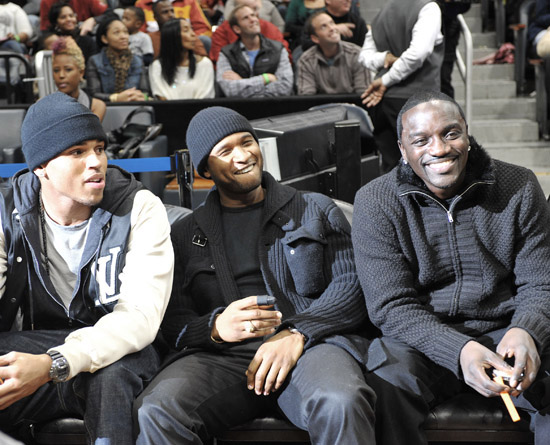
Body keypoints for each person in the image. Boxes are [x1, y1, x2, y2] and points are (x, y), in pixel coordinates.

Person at [134, 106, 376, 445]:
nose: (243, 155)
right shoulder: (185, 233)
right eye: (226, 150)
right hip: (223, 357)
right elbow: (170, 319)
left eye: (247, 142)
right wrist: (215, 328)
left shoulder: (315, 208)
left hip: (309, 347)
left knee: (341, 401)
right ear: (206, 168)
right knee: (157, 410)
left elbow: (352, 287)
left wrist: (297, 331)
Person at [352, 90, 550, 445]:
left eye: (450, 133)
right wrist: (459, 351)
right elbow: (390, 306)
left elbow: (541, 282)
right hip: (422, 341)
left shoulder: (519, 185)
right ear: (402, 148)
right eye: (421, 140)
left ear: (467, 134)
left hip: (507, 328)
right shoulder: (375, 201)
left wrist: (528, 331)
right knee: (385, 381)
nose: (440, 149)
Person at [0, 92, 174, 444]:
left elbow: (139, 319)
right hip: (40, 346)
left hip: (123, 351)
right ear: (41, 166)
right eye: (77, 152)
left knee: (113, 373)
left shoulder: (139, 207)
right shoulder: (7, 210)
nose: (95, 162)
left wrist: (54, 363)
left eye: (99, 148)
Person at [358, 0, 443, 172]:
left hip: (385, 101)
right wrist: (385, 74)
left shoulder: (381, 13)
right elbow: (417, 54)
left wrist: (383, 60)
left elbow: (365, 56)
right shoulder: (428, 7)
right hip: (418, 101)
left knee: (392, 168)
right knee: (424, 168)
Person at [217, 5, 293, 97]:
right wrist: (266, 78)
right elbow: (230, 90)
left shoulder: (278, 48)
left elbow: (285, 87)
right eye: (246, 18)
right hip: (239, 109)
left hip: (274, 107)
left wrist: (241, 82)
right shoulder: (226, 53)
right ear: (237, 29)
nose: (253, 20)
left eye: (253, 15)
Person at [297, 11, 369, 95]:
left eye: (332, 23)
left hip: (352, 106)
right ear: (315, 38)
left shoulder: (356, 54)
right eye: (324, 27)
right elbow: (306, 98)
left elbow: (363, 94)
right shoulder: (306, 60)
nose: (332, 28)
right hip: (320, 107)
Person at [86, 14, 150, 103]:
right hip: (106, 109)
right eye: (117, 32)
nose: (123, 36)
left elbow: (145, 92)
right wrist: (116, 98)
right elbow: (94, 94)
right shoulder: (95, 61)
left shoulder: (137, 61)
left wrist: (140, 96)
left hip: (135, 107)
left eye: (125, 32)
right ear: (104, 38)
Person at [149, 18, 214, 100]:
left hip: (199, 111)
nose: (193, 34)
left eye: (192, 29)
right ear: (172, 36)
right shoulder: (157, 66)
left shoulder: (204, 64)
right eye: (186, 30)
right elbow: (162, 98)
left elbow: (205, 97)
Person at [210, 0, 290, 64]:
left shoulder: (269, 28)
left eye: (254, 11)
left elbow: (284, 57)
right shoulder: (222, 32)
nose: (253, 19)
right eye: (245, 16)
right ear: (235, 12)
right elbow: (222, 64)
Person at [52, 37, 106, 121]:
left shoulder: (96, 106)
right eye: (56, 70)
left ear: (81, 73)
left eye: (68, 69)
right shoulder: (42, 105)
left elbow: (87, 133)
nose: (61, 75)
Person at [136, 0, 212, 55]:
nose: (171, 15)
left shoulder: (190, 2)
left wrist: (186, 37)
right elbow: (138, 32)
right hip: (157, 43)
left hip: (186, 43)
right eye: (165, 12)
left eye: (172, 11)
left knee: (204, 40)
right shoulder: (141, 3)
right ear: (155, 17)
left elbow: (203, 28)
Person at [0, 0, 33, 84]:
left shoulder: (15, 9)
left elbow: (27, 32)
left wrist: (16, 37)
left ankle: (19, 81)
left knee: (14, 45)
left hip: (9, 44)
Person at [39, 0, 107, 35]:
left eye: (71, 16)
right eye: (63, 17)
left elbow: (110, 14)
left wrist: (93, 20)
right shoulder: (46, 2)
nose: (68, 19)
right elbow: (45, 31)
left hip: (84, 35)